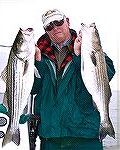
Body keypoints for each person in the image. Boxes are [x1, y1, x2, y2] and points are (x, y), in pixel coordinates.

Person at [30, 9, 115, 150]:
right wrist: (38, 63)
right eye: (49, 26)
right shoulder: (38, 54)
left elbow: (108, 73)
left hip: (85, 136)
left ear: (67, 22)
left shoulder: (89, 48)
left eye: (58, 22)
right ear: (45, 30)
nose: (55, 27)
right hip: (50, 137)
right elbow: (33, 89)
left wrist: (79, 55)